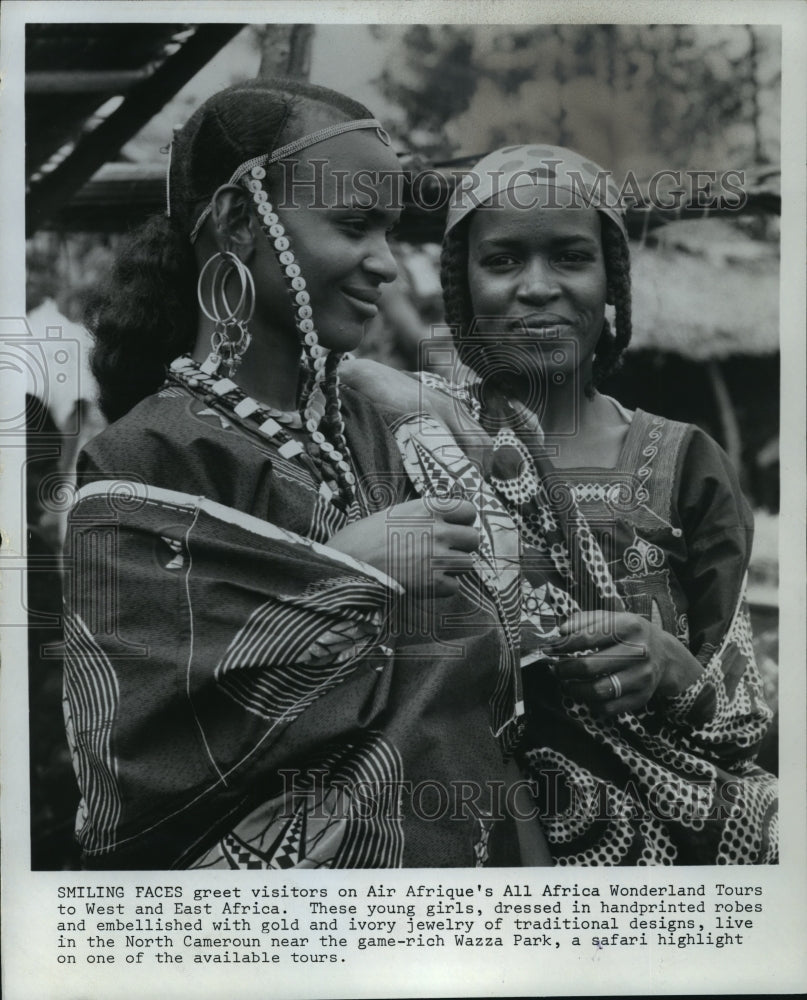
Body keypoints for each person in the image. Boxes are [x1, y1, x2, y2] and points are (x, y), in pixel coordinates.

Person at [62, 81, 533, 870]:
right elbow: (135, 755)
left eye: (388, 230)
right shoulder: (146, 460)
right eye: (354, 226)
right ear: (242, 223)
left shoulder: (386, 434)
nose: (385, 263)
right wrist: (346, 574)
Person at [342, 144, 778, 864]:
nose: (537, 286)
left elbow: (741, 725)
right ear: (461, 289)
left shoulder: (684, 463)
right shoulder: (404, 445)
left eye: (570, 257)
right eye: (503, 260)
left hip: (658, 872)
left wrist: (669, 669)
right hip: (457, 852)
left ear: (611, 280)